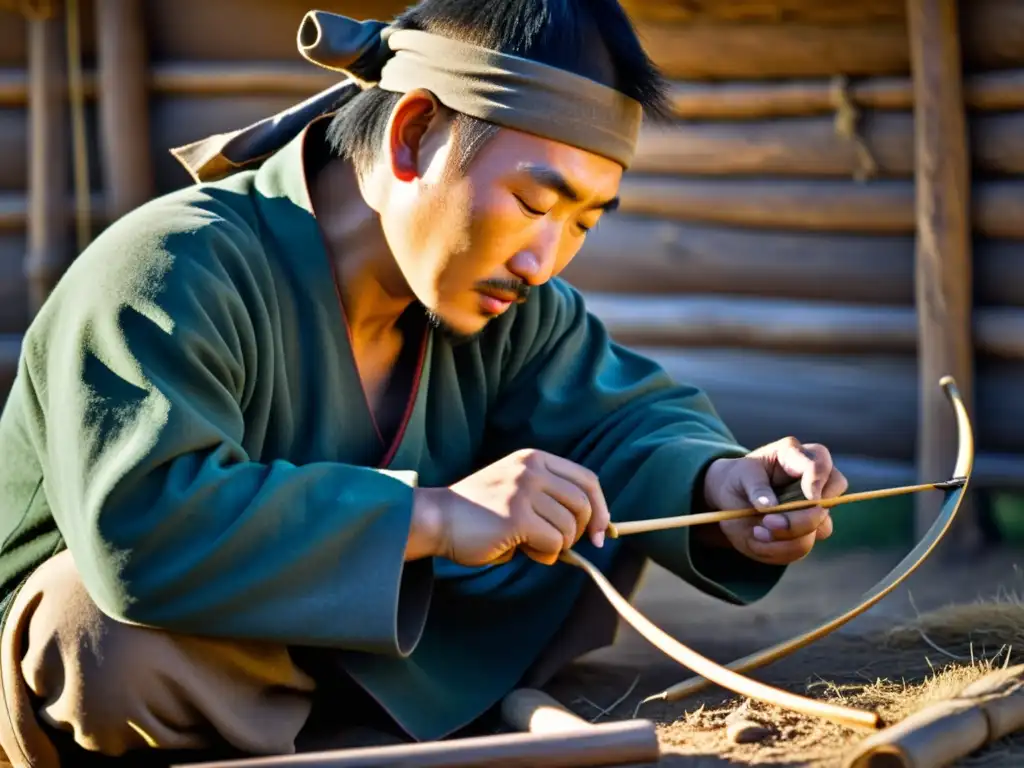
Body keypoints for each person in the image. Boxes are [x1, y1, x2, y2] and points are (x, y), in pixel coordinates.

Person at [0, 0, 846, 764]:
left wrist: (724, 481)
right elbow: (144, 529)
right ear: (412, 136)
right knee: (96, 635)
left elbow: (624, 423)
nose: (542, 259)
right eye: (535, 201)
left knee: (580, 509)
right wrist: (435, 516)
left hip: (304, 657)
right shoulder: (169, 266)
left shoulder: (512, 307)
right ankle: (387, 704)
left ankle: (322, 713)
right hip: (174, 638)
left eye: (583, 223)